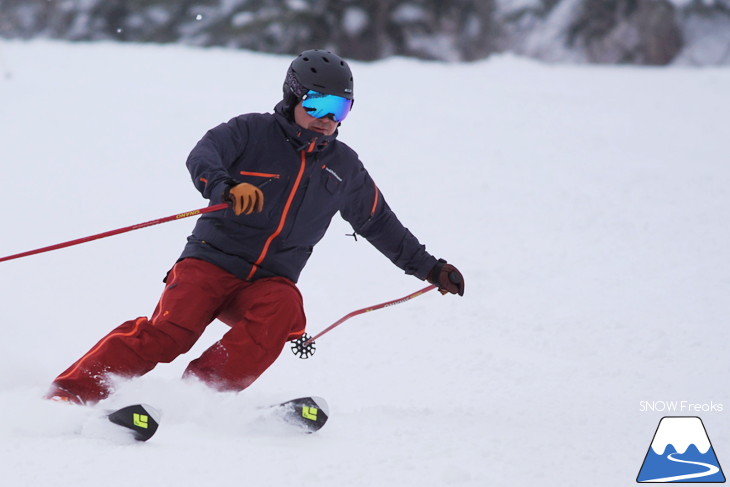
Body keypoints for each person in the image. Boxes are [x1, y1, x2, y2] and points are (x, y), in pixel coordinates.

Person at [46, 49, 465, 405]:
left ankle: (199, 399)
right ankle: (71, 394)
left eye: (338, 109)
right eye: (316, 105)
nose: (326, 119)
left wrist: (429, 268)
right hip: (210, 262)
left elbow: (380, 223)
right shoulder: (251, 131)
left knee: (283, 308)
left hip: (268, 280)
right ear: (293, 98)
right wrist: (224, 185)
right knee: (171, 333)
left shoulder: (344, 168)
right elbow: (203, 154)